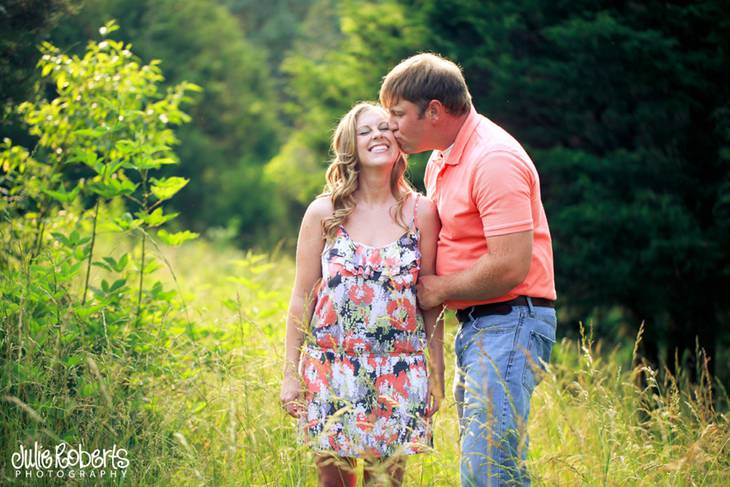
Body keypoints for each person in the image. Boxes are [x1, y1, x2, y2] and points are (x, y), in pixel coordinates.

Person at [380, 53, 557, 486]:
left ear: (434, 111)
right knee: (494, 466)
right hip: (482, 326)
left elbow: (512, 264)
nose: (391, 126)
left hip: (511, 321)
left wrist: (438, 288)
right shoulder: (443, 159)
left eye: (398, 114)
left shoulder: (493, 159)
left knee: (488, 470)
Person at [279, 101, 444, 487]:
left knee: (384, 482)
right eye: (366, 130)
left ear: (399, 140)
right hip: (331, 370)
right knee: (333, 482)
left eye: (386, 128)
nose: (378, 136)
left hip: (397, 373)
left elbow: (430, 300)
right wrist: (290, 374)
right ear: (350, 144)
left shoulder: (422, 212)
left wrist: (436, 374)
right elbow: (301, 298)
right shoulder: (323, 212)